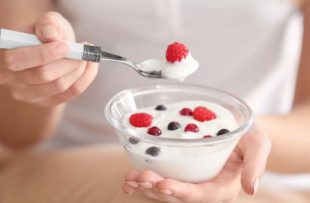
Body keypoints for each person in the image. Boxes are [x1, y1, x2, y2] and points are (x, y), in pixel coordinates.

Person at [0, 0, 309, 202]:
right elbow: (16, 133)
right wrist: (42, 74)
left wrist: (233, 138)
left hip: (261, 177)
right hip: (65, 162)